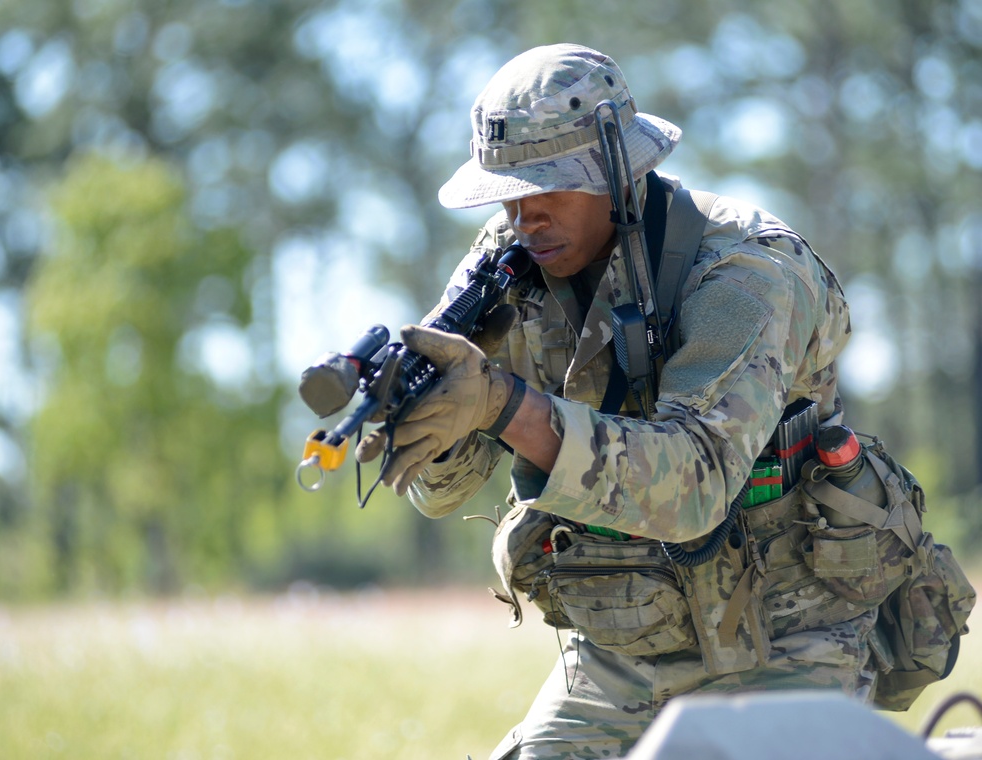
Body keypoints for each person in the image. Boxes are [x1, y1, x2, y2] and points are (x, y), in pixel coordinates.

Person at [355, 43, 870, 760]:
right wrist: (434, 422)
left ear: (618, 172)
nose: (524, 214)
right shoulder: (513, 259)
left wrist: (504, 406)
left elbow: (695, 486)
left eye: (550, 186)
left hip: (790, 628)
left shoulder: (745, 271)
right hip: (628, 645)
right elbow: (446, 494)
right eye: (508, 191)